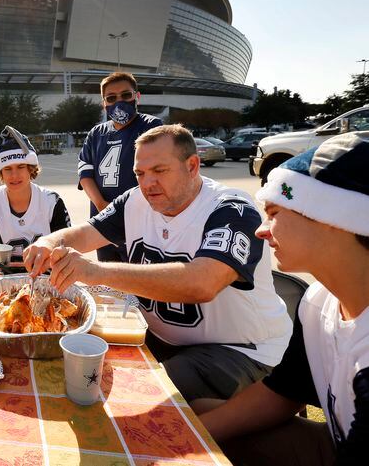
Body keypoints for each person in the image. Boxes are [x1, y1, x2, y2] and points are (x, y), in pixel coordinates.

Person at [24, 124, 291, 402]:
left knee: (136, 397)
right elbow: (84, 233)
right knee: (76, 366)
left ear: (192, 165)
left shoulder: (231, 209)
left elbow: (203, 283)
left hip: (238, 349)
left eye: (159, 171)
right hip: (159, 339)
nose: (148, 183)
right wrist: (48, 243)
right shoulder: (136, 200)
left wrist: (96, 272)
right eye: (140, 173)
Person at [194, 133, 369, 466]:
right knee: (197, 412)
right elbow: (284, 391)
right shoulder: (319, 301)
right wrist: (188, 435)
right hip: (337, 442)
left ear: (334, 220)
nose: (261, 230)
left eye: (273, 213)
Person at [77, 72, 162, 261]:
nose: (119, 101)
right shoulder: (96, 134)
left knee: (142, 284)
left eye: (126, 95)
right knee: (109, 284)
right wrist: (102, 206)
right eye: (111, 98)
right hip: (104, 223)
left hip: (140, 222)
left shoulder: (151, 127)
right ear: (103, 103)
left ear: (137, 96)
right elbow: (85, 175)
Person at [0, 125, 71, 263]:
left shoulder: (52, 201)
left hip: (49, 277)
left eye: (21, 167)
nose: (14, 175)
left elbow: (65, 251)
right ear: (0, 172)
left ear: (30, 169)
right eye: (7, 169)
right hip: (5, 279)